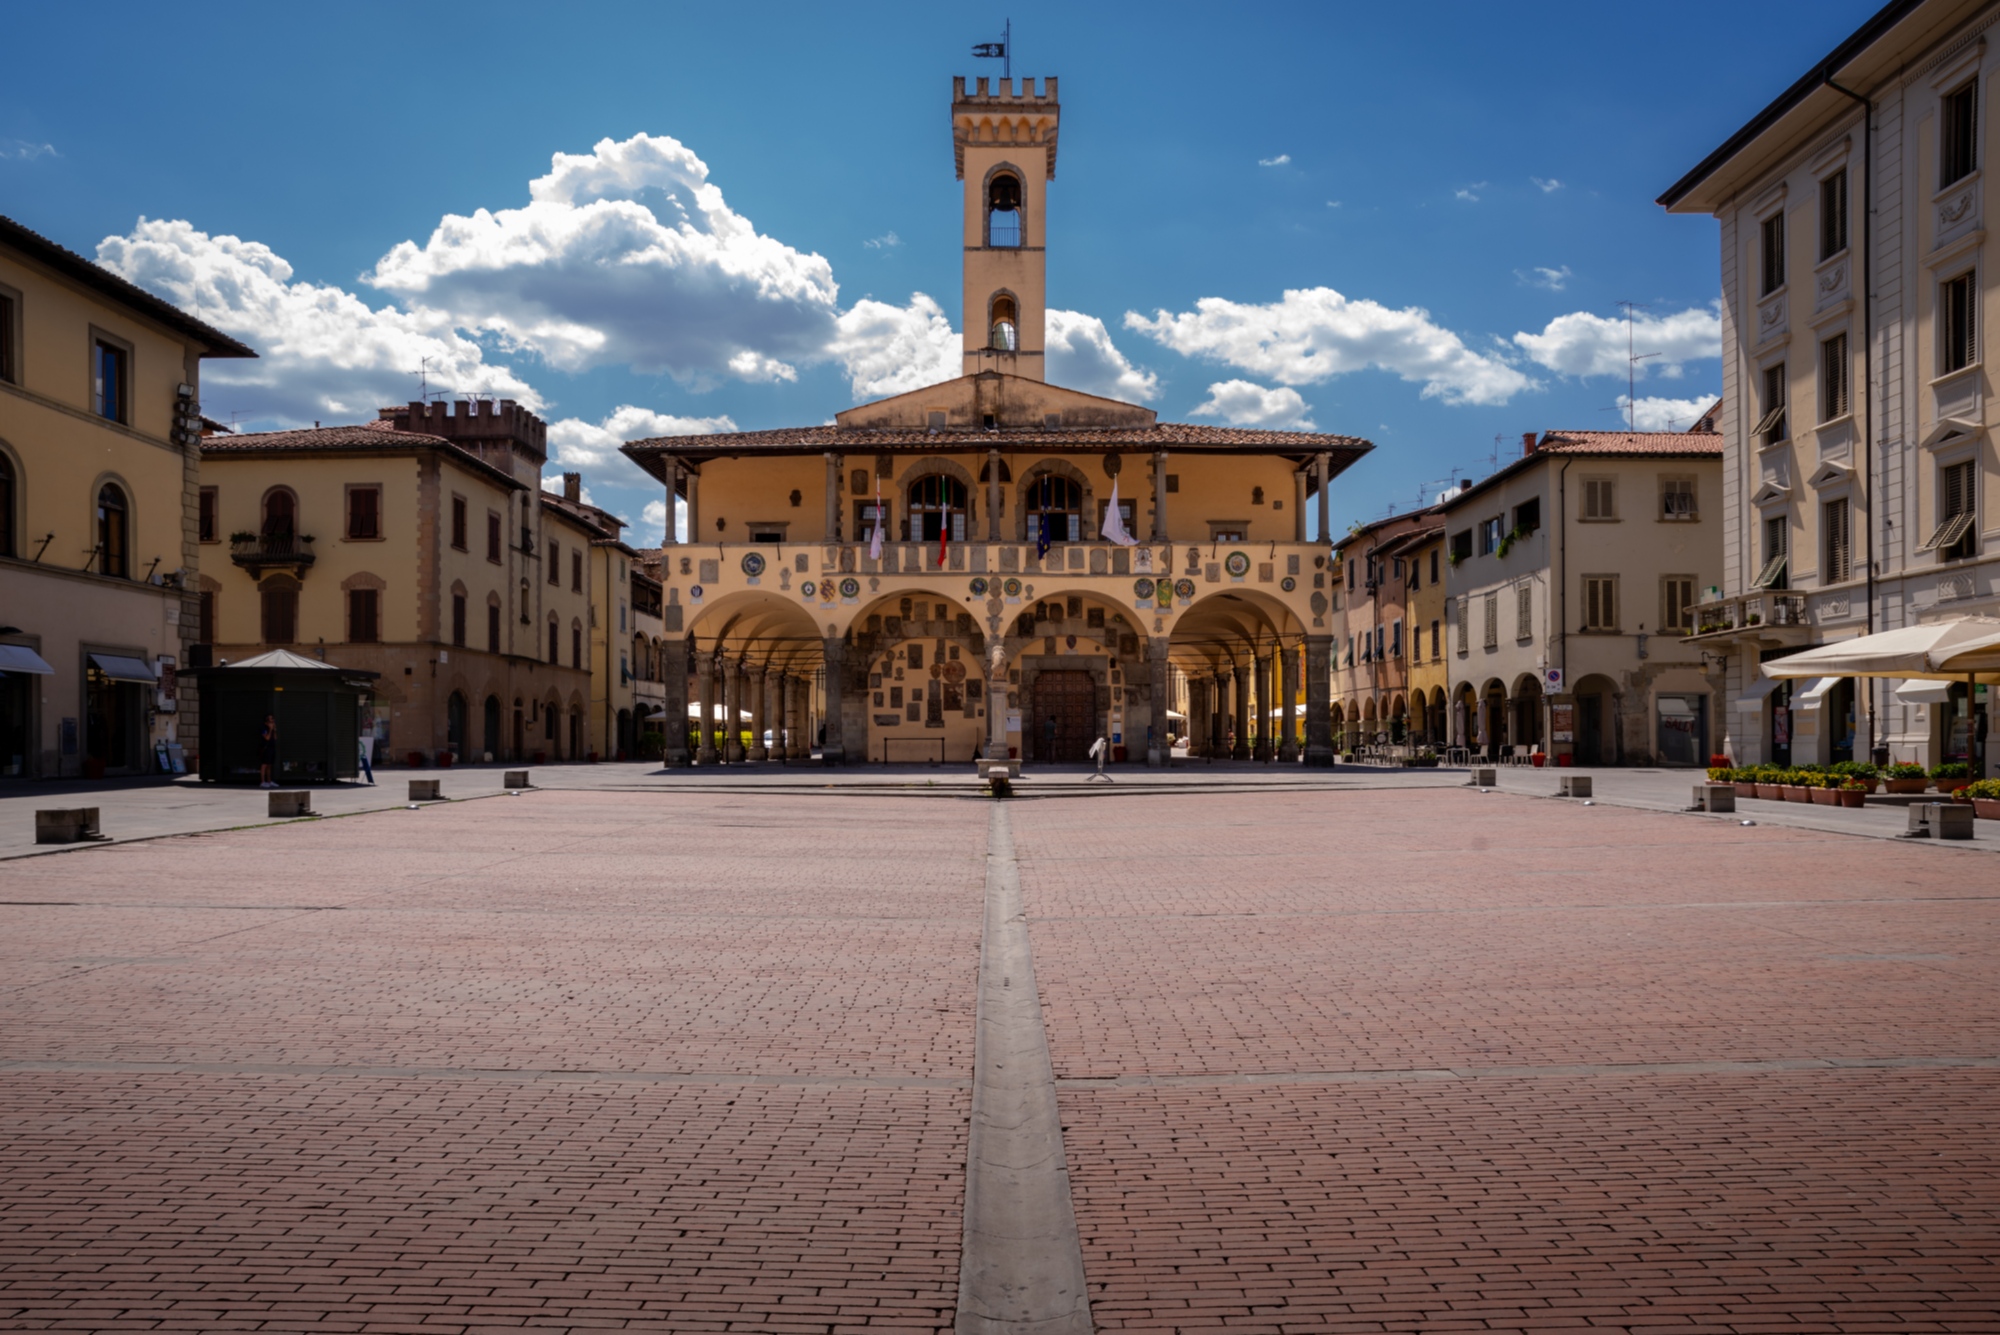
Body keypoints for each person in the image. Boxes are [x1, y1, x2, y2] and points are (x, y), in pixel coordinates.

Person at [258, 714, 278, 788]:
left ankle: (269, 781)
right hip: (265, 748)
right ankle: (263, 781)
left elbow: (275, 738)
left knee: (269, 765)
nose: (271, 721)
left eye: (272, 719)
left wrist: (274, 730)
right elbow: (267, 738)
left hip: (272, 748)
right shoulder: (263, 728)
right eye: (270, 719)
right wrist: (270, 729)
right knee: (264, 765)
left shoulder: (272, 728)